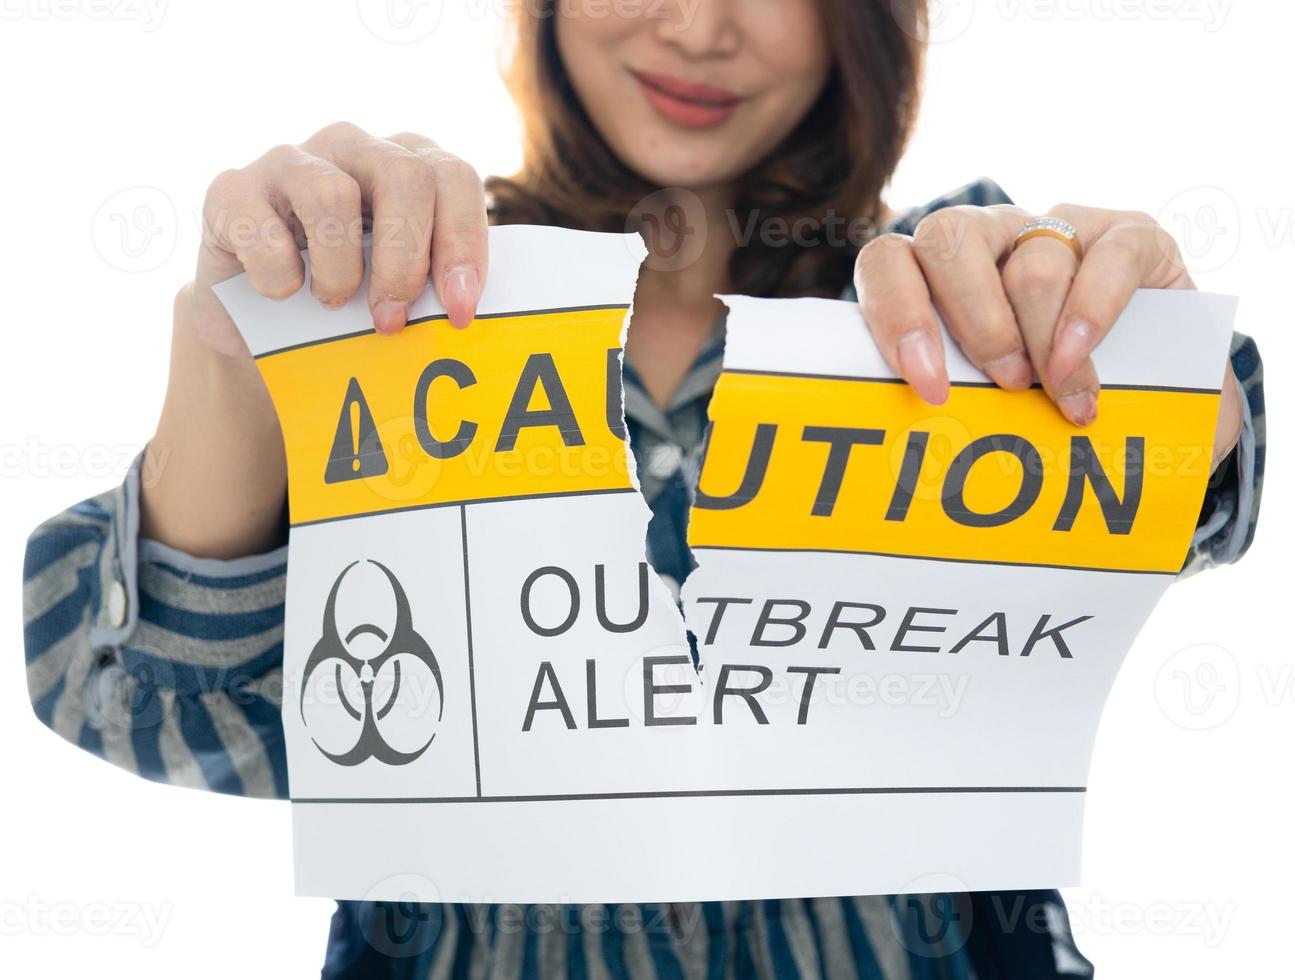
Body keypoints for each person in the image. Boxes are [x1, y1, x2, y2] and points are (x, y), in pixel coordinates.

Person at [23, 1, 1265, 977]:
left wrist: (1139, 361)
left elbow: (1201, 468)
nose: (696, 25)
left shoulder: (949, 297)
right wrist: (232, 348)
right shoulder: (375, 304)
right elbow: (133, 700)